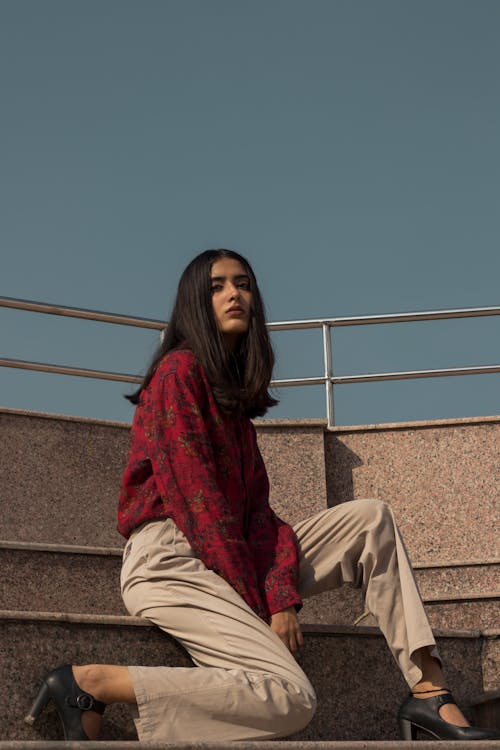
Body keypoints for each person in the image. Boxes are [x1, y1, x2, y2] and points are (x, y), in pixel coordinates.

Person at [25, 249, 499, 742]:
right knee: (290, 697)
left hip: (232, 557)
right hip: (172, 560)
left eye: (243, 283)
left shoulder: (233, 405)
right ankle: (92, 683)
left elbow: (259, 519)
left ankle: (430, 693)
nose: (235, 294)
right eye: (217, 286)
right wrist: (271, 604)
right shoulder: (177, 375)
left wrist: (280, 595)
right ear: (194, 304)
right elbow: (198, 504)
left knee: (369, 520)